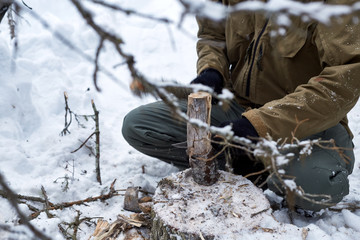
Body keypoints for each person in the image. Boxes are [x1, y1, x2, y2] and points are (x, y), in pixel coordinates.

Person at [122, 0, 360, 212]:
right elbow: (213, 35)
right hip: (237, 108)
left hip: (306, 123)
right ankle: (252, 164)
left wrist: (258, 126)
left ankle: (268, 167)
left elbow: (345, 79)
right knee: (140, 126)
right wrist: (211, 70)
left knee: (317, 184)